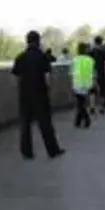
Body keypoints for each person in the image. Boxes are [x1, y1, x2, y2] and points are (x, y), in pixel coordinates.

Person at [11, 31, 64, 159]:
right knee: (45, 123)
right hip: (40, 94)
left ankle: (27, 152)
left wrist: (19, 88)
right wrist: (50, 90)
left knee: (25, 124)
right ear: (38, 41)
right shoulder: (43, 57)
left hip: (24, 95)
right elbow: (47, 77)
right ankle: (52, 150)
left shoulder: (20, 57)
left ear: (27, 41)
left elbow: (14, 77)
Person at [71, 41, 96, 129]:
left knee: (80, 103)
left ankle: (85, 119)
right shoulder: (90, 60)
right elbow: (93, 72)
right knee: (81, 103)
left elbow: (71, 73)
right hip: (87, 83)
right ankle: (79, 121)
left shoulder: (74, 60)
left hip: (77, 83)